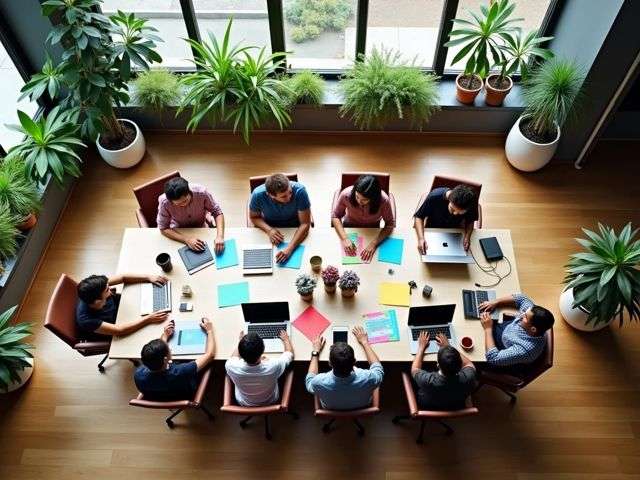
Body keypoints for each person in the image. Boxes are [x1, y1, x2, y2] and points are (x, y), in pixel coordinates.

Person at [134, 317, 216, 400]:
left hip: (161, 397)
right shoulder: (181, 371)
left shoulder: (138, 374)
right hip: (186, 395)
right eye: (168, 348)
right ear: (165, 360)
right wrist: (209, 331)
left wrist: (165, 336)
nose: (170, 349)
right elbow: (210, 354)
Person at [305, 326, 384, 410]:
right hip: (362, 406)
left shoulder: (318, 382)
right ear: (354, 361)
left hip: (331, 408)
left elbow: (309, 381)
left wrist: (315, 352)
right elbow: (378, 368)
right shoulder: (369, 378)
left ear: (330, 363)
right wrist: (364, 342)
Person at [75, 274, 168, 341]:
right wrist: (148, 319)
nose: (111, 290)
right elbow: (119, 330)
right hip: (113, 331)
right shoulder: (86, 320)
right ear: (97, 301)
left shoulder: (98, 287)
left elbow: (123, 278)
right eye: (107, 290)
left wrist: (148, 277)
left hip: (120, 312)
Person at [331, 174, 396, 262]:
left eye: (364, 200)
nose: (359, 202)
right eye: (357, 196)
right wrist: (345, 238)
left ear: (374, 198)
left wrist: (374, 243)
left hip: (372, 230)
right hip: (349, 228)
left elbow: (390, 224)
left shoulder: (383, 200)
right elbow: (335, 216)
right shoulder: (346, 194)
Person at [249, 173, 311, 263]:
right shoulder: (257, 195)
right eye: (283, 196)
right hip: (271, 229)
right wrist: (269, 230)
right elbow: (254, 217)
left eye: (290, 192)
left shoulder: (300, 191)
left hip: (295, 228)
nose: (289, 197)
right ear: (270, 195)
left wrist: (289, 249)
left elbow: (305, 224)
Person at [479, 293, 554, 367]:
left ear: (533, 329)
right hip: (503, 330)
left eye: (525, 317)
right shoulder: (529, 314)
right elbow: (522, 298)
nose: (521, 314)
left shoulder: (525, 350)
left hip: (500, 349)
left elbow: (493, 358)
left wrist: (488, 329)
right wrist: (495, 302)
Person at [225, 330, 294, 407]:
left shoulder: (231, 366)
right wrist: (286, 339)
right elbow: (289, 354)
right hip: (270, 401)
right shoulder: (274, 365)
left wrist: (241, 342)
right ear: (263, 350)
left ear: (240, 354)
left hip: (245, 403)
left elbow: (234, 357)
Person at [157, 177, 225, 254]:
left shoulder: (202, 192)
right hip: (178, 230)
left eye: (185, 201)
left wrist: (220, 236)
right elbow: (163, 228)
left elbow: (217, 212)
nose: (183, 205)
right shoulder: (164, 202)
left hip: (201, 227)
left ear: (189, 192)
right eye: (177, 204)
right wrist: (186, 239)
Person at [411, 332, 477, 410]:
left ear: (438, 365)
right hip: (455, 404)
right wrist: (448, 346)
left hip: (428, 405)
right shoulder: (468, 377)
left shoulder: (428, 380)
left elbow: (414, 369)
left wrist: (421, 347)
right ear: (460, 366)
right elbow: (469, 364)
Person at [413, 184, 478, 254]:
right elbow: (419, 217)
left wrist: (467, 237)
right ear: (449, 199)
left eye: (460, 213)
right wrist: (421, 238)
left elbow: (470, 220)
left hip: (456, 232)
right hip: (433, 229)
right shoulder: (434, 197)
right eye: (452, 209)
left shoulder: (472, 204)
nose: (455, 213)